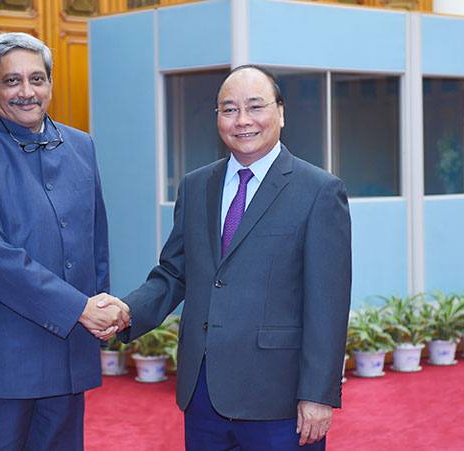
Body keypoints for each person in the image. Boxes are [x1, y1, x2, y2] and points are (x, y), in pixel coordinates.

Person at [103, 65, 352, 449]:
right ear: (218, 117)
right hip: (203, 394)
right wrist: (127, 311)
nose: (243, 120)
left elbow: (328, 304)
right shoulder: (196, 185)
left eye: (255, 106)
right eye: (229, 109)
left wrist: (318, 393)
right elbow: (175, 273)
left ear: (280, 112)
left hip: (280, 399)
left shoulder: (319, 191)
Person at [0, 32, 129, 450]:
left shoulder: (81, 145)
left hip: (66, 350)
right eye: (12, 81)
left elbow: (95, 240)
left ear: (50, 84)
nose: (27, 91)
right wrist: (80, 309)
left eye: (37, 79)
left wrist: (100, 308)